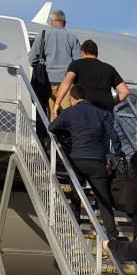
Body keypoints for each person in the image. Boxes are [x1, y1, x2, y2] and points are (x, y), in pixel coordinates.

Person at [48, 85, 119, 244]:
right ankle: (112, 234)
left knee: (76, 193)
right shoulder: (100, 113)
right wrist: (119, 154)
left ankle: (75, 221)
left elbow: (52, 127)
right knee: (103, 198)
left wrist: (67, 133)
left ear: (72, 98)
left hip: (78, 160)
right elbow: (113, 134)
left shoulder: (69, 112)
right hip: (97, 161)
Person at [53, 39, 133, 156]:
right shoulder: (109, 68)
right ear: (97, 53)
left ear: (82, 52)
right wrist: (111, 102)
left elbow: (67, 82)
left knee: (81, 141)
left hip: (85, 111)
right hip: (105, 111)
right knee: (104, 146)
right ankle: (104, 167)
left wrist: (57, 103)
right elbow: (125, 91)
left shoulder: (77, 64)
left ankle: (79, 167)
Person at [28, 9, 81, 120]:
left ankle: (53, 135)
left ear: (51, 21)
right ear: (64, 22)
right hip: (67, 81)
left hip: (47, 79)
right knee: (67, 110)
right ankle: (67, 135)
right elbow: (77, 62)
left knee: (51, 111)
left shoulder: (42, 36)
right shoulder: (72, 37)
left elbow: (32, 59)